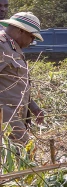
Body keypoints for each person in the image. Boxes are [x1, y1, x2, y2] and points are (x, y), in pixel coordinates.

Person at [0, 12, 44, 142]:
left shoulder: (12, 47)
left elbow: (15, 83)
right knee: (23, 147)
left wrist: (33, 106)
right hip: (5, 114)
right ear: (20, 31)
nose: (32, 41)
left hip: (15, 112)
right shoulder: (2, 47)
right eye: (32, 37)